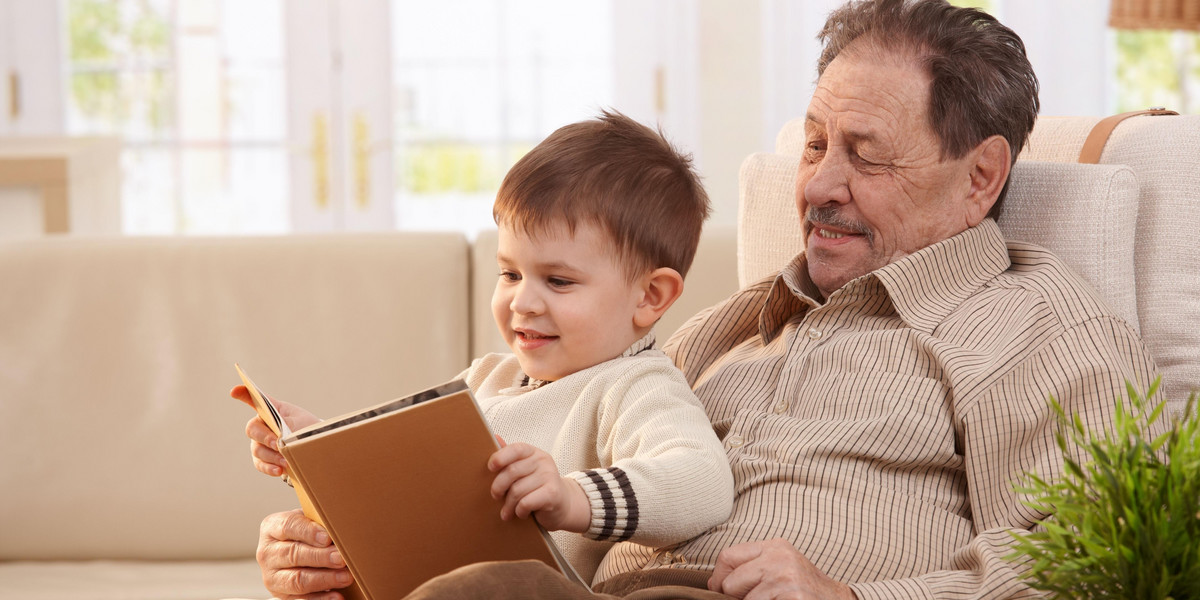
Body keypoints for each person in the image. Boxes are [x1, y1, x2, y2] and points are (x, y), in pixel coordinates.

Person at [249, 1, 1165, 598]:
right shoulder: (721, 329)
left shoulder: (1037, 320)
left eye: (865, 152)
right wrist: (350, 555)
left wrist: (851, 599)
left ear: (982, 177)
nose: (818, 188)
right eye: (812, 146)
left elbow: (1089, 562)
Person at [234, 109, 735, 591]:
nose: (522, 301)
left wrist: (572, 496)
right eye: (510, 273)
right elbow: (405, 471)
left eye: (558, 281)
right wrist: (316, 447)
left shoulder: (635, 386)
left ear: (650, 297)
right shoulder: (486, 378)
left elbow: (703, 482)